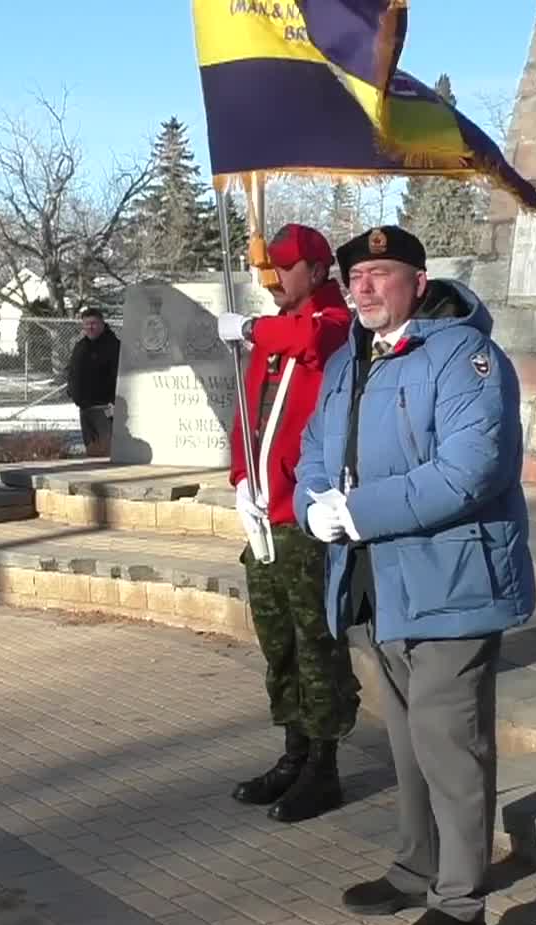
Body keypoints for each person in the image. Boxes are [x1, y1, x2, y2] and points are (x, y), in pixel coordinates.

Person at [294, 225, 535, 925]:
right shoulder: (348, 361)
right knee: (406, 744)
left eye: (381, 273)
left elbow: (471, 470)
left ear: (418, 281)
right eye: (354, 277)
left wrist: (360, 510)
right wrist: (312, 501)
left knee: (451, 748)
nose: (364, 288)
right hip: (374, 584)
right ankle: (415, 866)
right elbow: (314, 447)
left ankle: (461, 905)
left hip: (451, 581)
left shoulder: (466, 358)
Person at [212, 224, 359, 823]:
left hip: (306, 520)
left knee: (317, 646)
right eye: (268, 269)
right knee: (279, 646)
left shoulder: (333, 324)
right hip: (265, 518)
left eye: (285, 269)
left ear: (319, 271)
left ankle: (324, 767)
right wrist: (241, 479)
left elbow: (311, 341)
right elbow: (247, 417)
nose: (273, 279)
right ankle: (293, 753)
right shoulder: (273, 337)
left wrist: (247, 327)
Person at [66, 307, 120, 454]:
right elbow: (72, 371)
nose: (90, 327)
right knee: (92, 450)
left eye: (94, 323)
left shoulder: (113, 346)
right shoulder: (81, 346)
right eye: (86, 324)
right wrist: (71, 391)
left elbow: (118, 376)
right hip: (84, 408)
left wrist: (113, 401)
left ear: (102, 324)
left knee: (105, 450)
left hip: (104, 409)